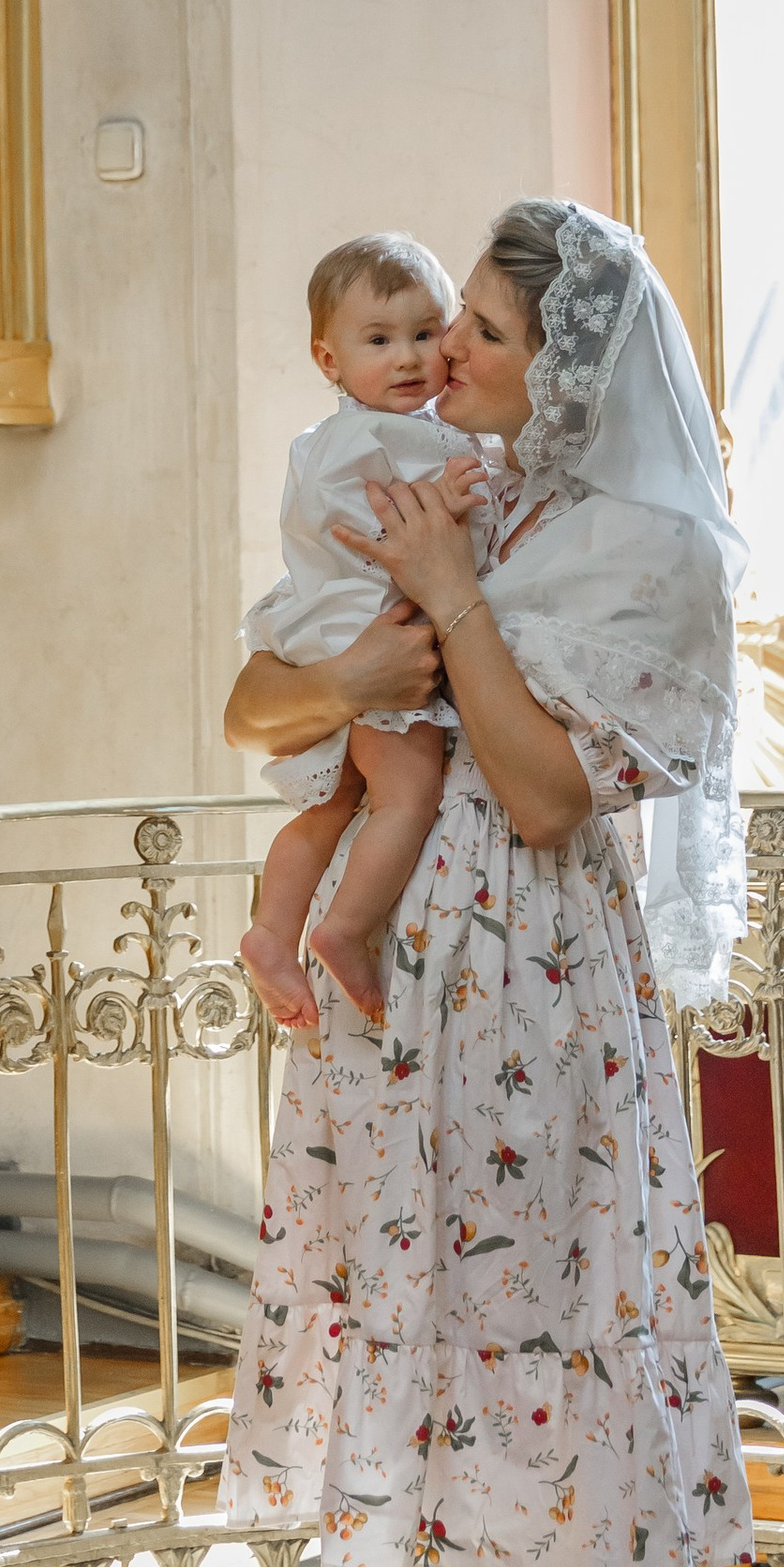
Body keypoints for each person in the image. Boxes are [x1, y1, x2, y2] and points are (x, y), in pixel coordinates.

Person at [220, 199, 754, 1567]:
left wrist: (446, 604)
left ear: (574, 365)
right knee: (438, 1351)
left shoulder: (646, 550)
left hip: (540, 1012)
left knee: (554, 1359)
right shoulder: (439, 481)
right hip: (393, 1021)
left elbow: (537, 793)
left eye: (492, 336)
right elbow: (252, 703)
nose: (451, 354)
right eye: (451, 327)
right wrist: (366, 661)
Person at [238, 234, 492, 1032]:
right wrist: (449, 500)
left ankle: (271, 931)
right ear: (328, 357)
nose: (410, 358)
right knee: (407, 795)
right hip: (371, 630)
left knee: (336, 801)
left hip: (330, 627)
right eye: (379, 341)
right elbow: (377, 530)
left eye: (425, 333)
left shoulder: (334, 435)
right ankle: (342, 929)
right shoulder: (385, 437)